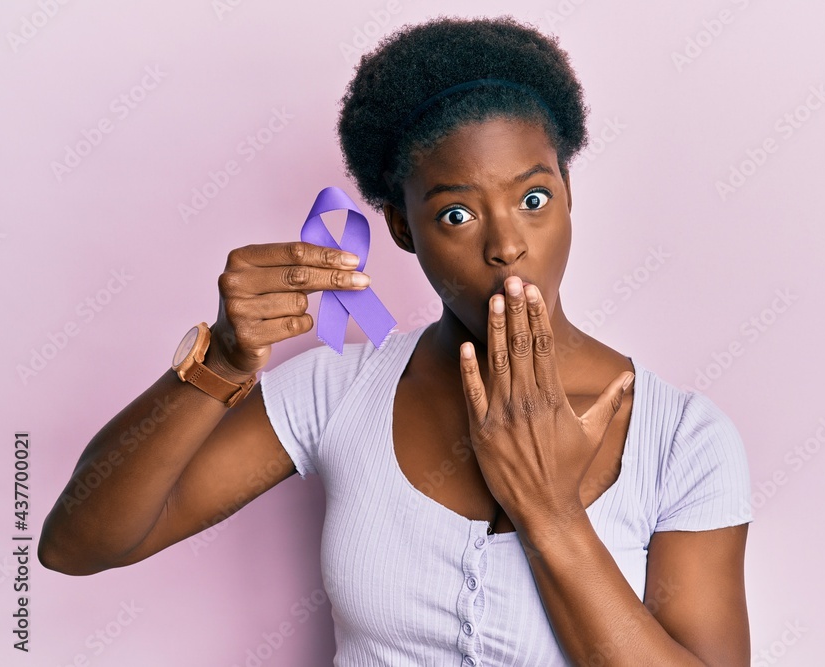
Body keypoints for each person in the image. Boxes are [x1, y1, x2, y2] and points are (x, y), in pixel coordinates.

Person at [40, 15, 754, 666]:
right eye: (456, 214)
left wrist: (552, 510)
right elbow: (78, 544)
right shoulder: (338, 390)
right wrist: (218, 365)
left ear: (569, 194)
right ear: (402, 229)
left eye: (533, 199)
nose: (507, 245)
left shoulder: (682, 438)